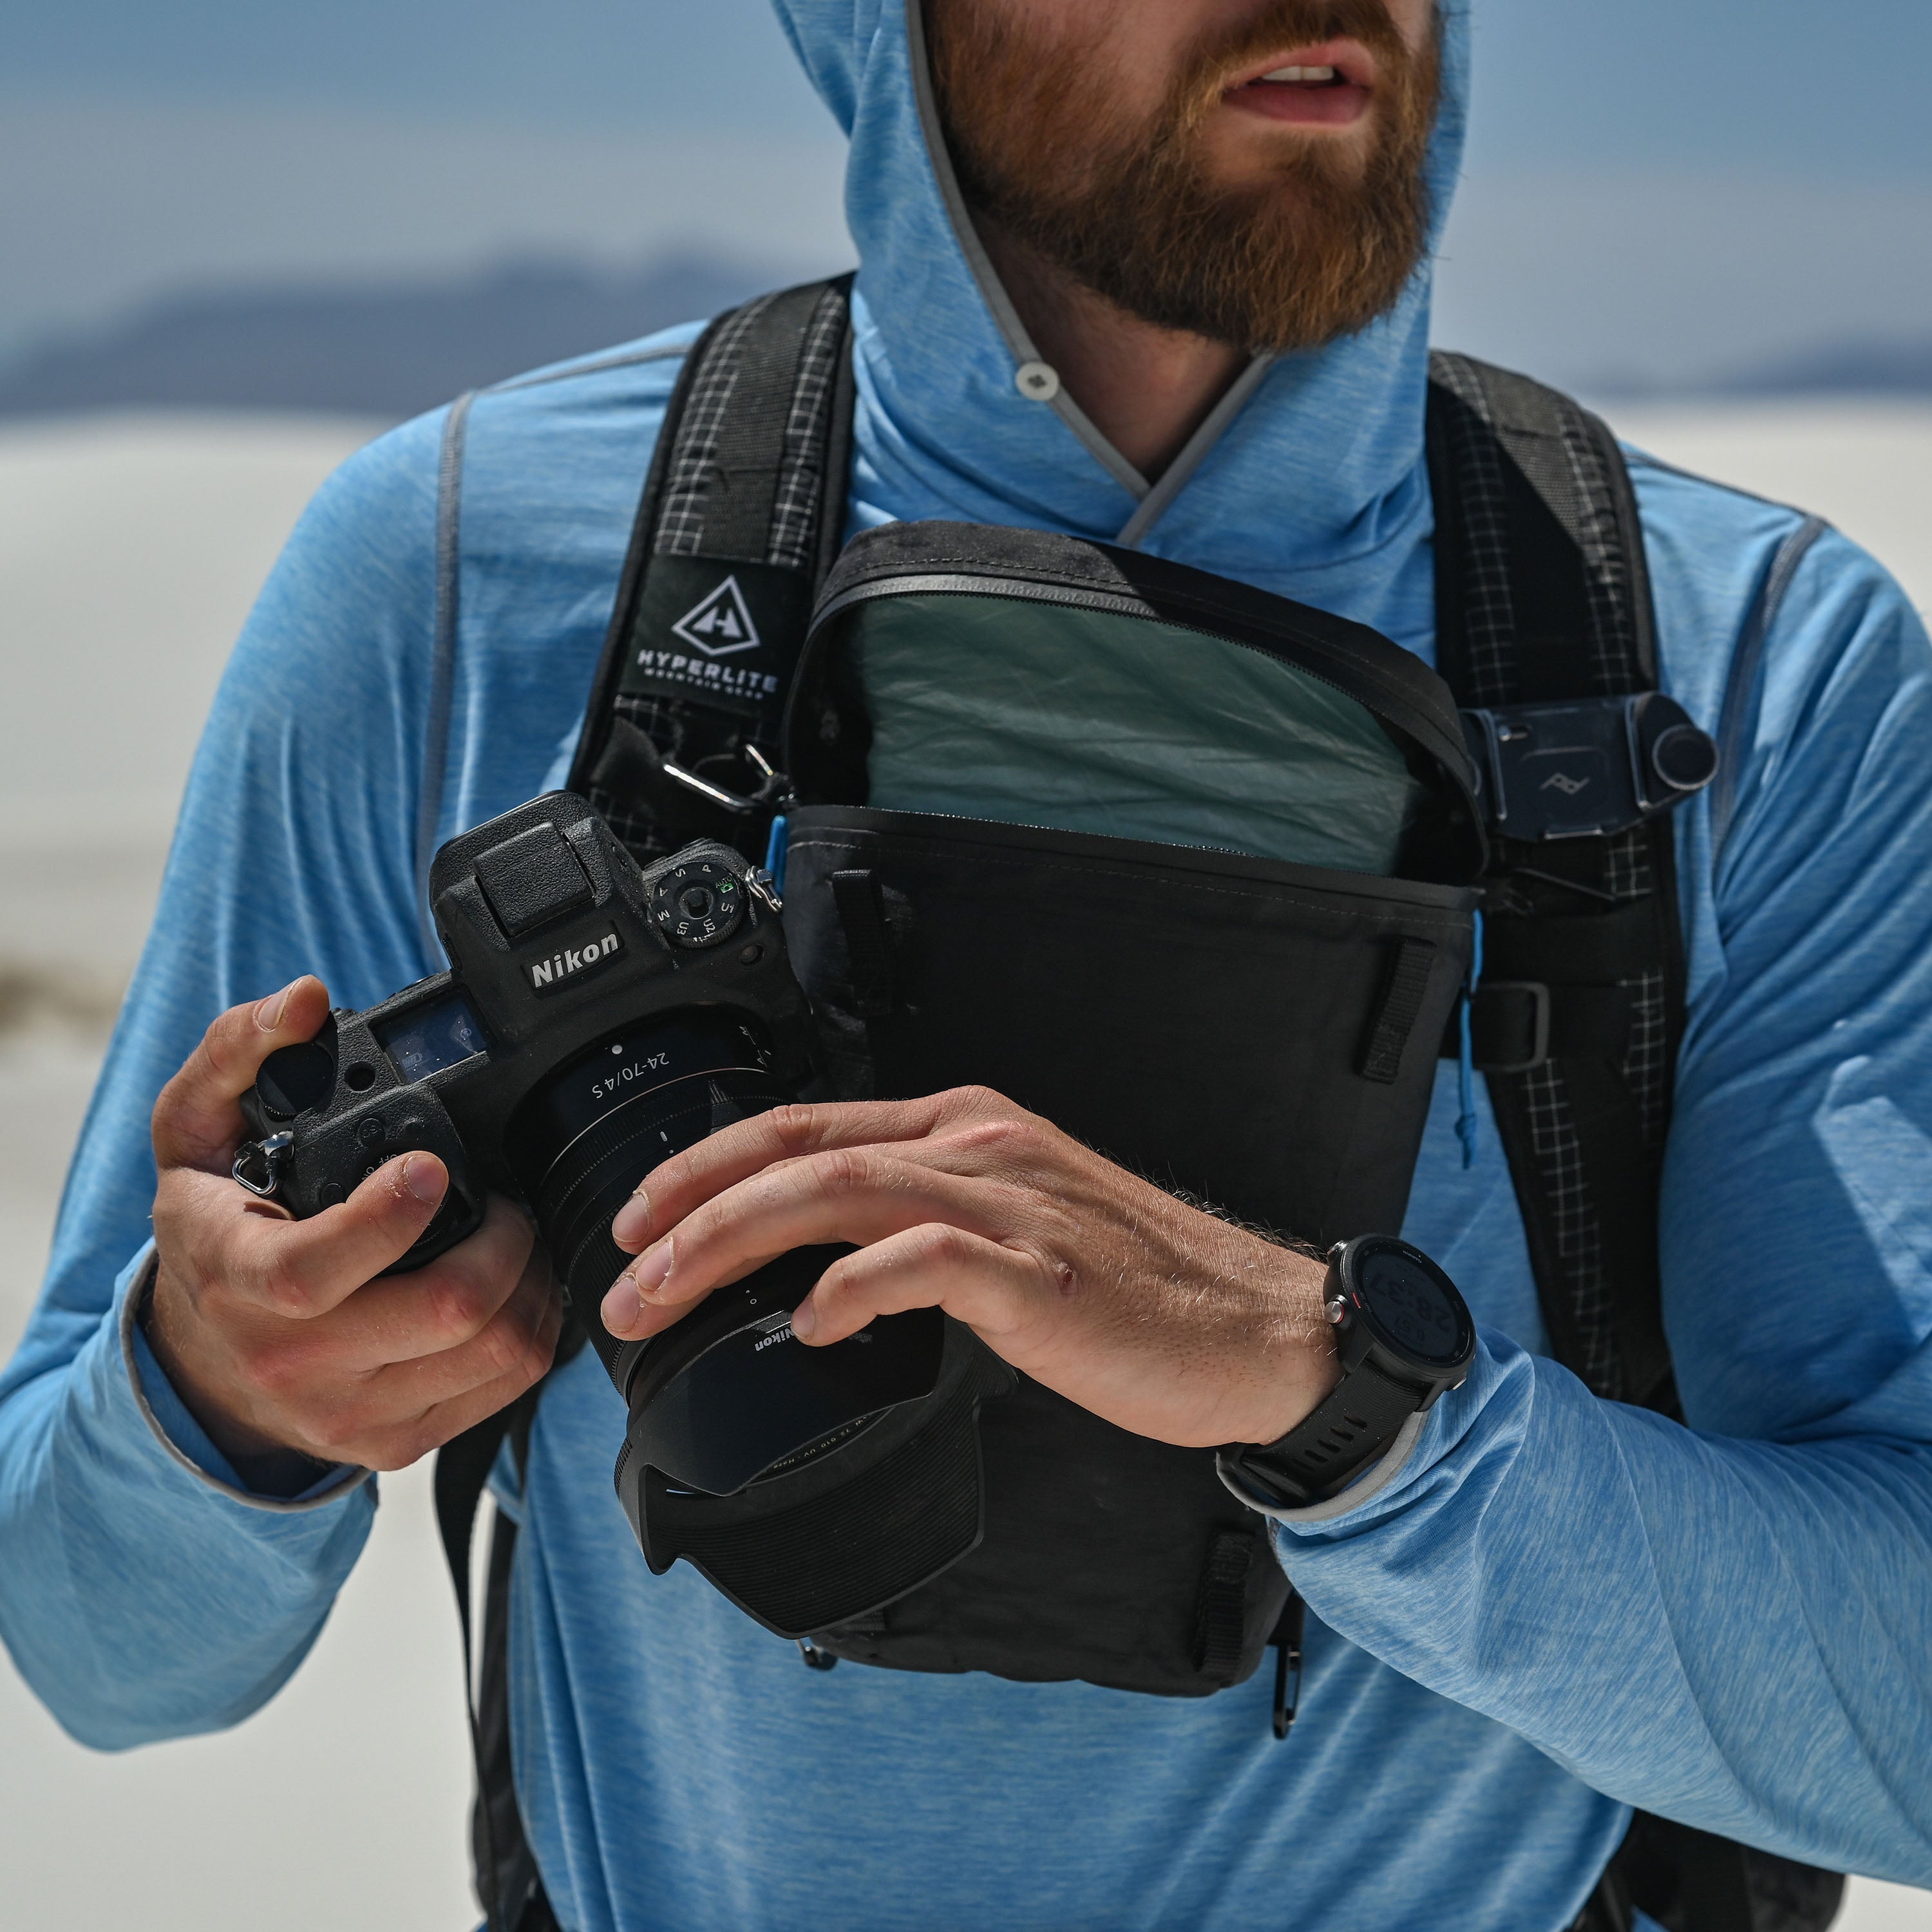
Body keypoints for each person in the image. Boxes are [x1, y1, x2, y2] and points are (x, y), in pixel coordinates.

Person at [4, 1, 1931, 1927]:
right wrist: (218, 1401)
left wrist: (1339, 1398)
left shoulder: (1749, 665)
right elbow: (100, 1650)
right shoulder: (453, 580)